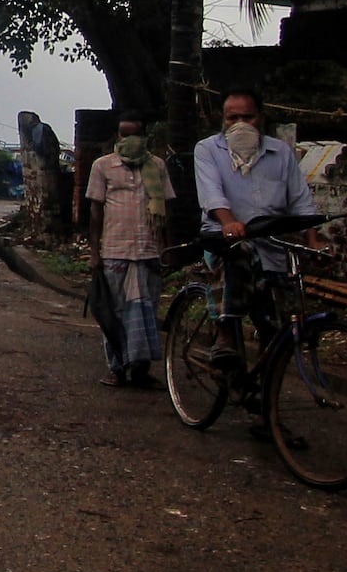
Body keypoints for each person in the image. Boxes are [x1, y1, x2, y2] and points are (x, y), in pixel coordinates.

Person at [191, 90, 318, 383]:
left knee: (276, 326)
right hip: (224, 238)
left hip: (271, 244)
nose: (240, 124)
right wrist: (229, 221)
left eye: (247, 117)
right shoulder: (208, 149)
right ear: (222, 121)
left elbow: (300, 199)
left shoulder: (281, 153)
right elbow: (211, 193)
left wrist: (313, 239)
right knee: (238, 256)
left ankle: (264, 406)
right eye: (232, 118)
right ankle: (225, 332)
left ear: (260, 118)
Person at [84, 115, 174, 389]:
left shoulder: (157, 166)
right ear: (117, 138)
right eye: (124, 135)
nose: (129, 141)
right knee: (116, 313)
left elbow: (165, 211)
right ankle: (117, 368)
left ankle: (141, 370)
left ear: (143, 136)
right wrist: (94, 252)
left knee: (145, 312)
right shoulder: (102, 166)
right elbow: (95, 210)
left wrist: (165, 249)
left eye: (134, 135)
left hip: (148, 252)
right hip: (115, 251)